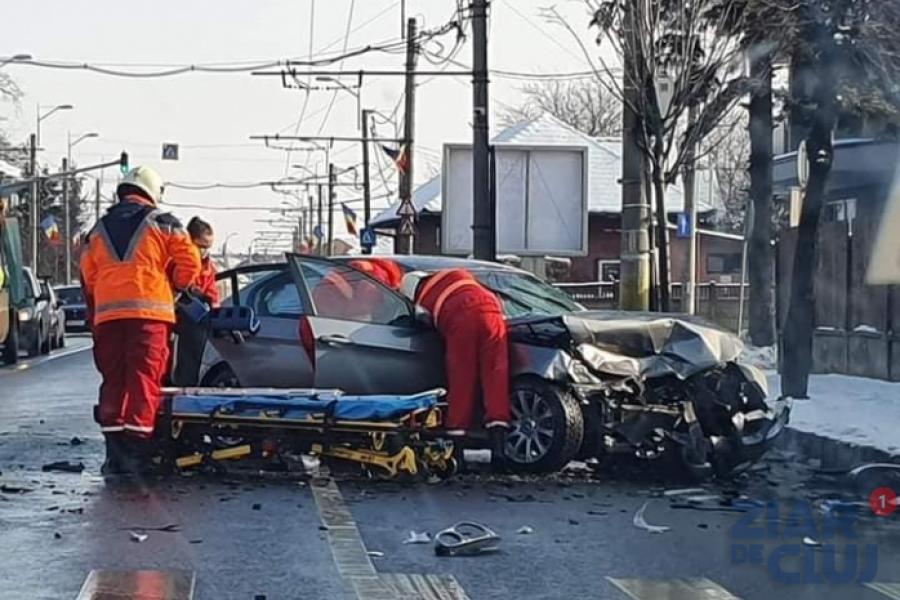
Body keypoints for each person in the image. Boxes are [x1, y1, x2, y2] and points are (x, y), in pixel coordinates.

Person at [80, 166, 200, 475]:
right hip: (148, 315)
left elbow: (88, 274)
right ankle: (138, 451)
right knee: (144, 378)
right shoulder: (163, 223)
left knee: (114, 379)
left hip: (108, 316)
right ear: (152, 192)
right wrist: (176, 283)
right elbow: (190, 261)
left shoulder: (98, 228)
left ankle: (115, 453)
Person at [399, 269, 510, 457]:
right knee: (496, 373)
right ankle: (499, 443)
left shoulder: (423, 300)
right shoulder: (454, 275)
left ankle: (457, 445)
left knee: (462, 378)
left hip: (462, 316)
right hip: (492, 308)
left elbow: (421, 324)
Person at [186, 216, 220, 307]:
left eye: (208, 247)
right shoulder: (175, 263)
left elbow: (213, 296)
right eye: (201, 247)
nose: (204, 251)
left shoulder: (208, 268)